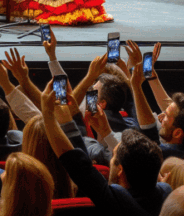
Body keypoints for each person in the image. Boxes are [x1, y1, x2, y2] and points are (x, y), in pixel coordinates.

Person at [41, 80, 171, 216]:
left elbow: (78, 165)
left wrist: (47, 115)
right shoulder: (165, 191)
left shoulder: (118, 202)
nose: (111, 158)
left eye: (113, 155)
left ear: (120, 170)